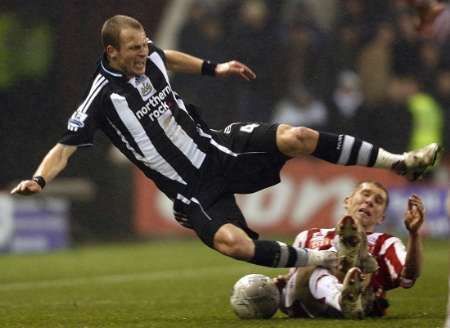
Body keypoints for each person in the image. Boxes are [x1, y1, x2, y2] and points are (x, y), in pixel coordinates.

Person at [11, 15, 439, 271]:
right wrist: (39, 180)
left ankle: (398, 161)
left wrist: (214, 68)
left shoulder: (150, 55)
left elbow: (168, 56)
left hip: (218, 148)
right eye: (134, 51)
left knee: (298, 136)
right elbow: (64, 147)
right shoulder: (102, 98)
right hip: (192, 189)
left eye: (145, 46)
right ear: (112, 52)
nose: (144, 55)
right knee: (233, 244)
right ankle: (329, 261)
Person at [275, 181, 425, 319]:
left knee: (322, 262)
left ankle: (352, 268)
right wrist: (281, 281)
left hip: (363, 301)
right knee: (260, 286)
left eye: (378, 201)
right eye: (365, 194)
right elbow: (292, 280)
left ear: (381, 218)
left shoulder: (386, 243)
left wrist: (414, 234)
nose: (369, 201)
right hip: (305, 300)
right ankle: (343, 295)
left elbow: (409, 276)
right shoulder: (307, 236)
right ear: (347, 202)